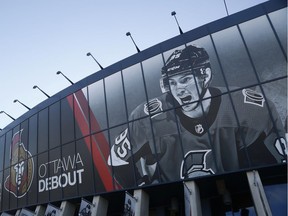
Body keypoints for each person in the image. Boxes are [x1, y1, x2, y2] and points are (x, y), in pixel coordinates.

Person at [108, 45, 287, 186]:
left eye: (185, 79)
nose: (178, 89)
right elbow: (116, 160)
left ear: (205, 75)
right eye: (172, 82)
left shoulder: (245, 107)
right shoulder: (147, 117)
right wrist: (145, 190)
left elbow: (272, 172)